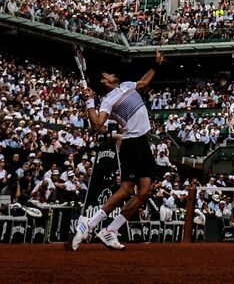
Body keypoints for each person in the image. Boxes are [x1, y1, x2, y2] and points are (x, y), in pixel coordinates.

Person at [70, 51, 165, 251]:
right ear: (105, 80)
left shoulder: (128, 85)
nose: (113, 74)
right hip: (131, 144)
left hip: (143, 142)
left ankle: (111, 230)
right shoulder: (107, 101)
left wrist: (155, 65)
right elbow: (97, 124)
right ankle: (89, 223)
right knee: (126, 191)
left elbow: (144, 83)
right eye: (109, 74)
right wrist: (89, 102)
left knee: (145, 192)